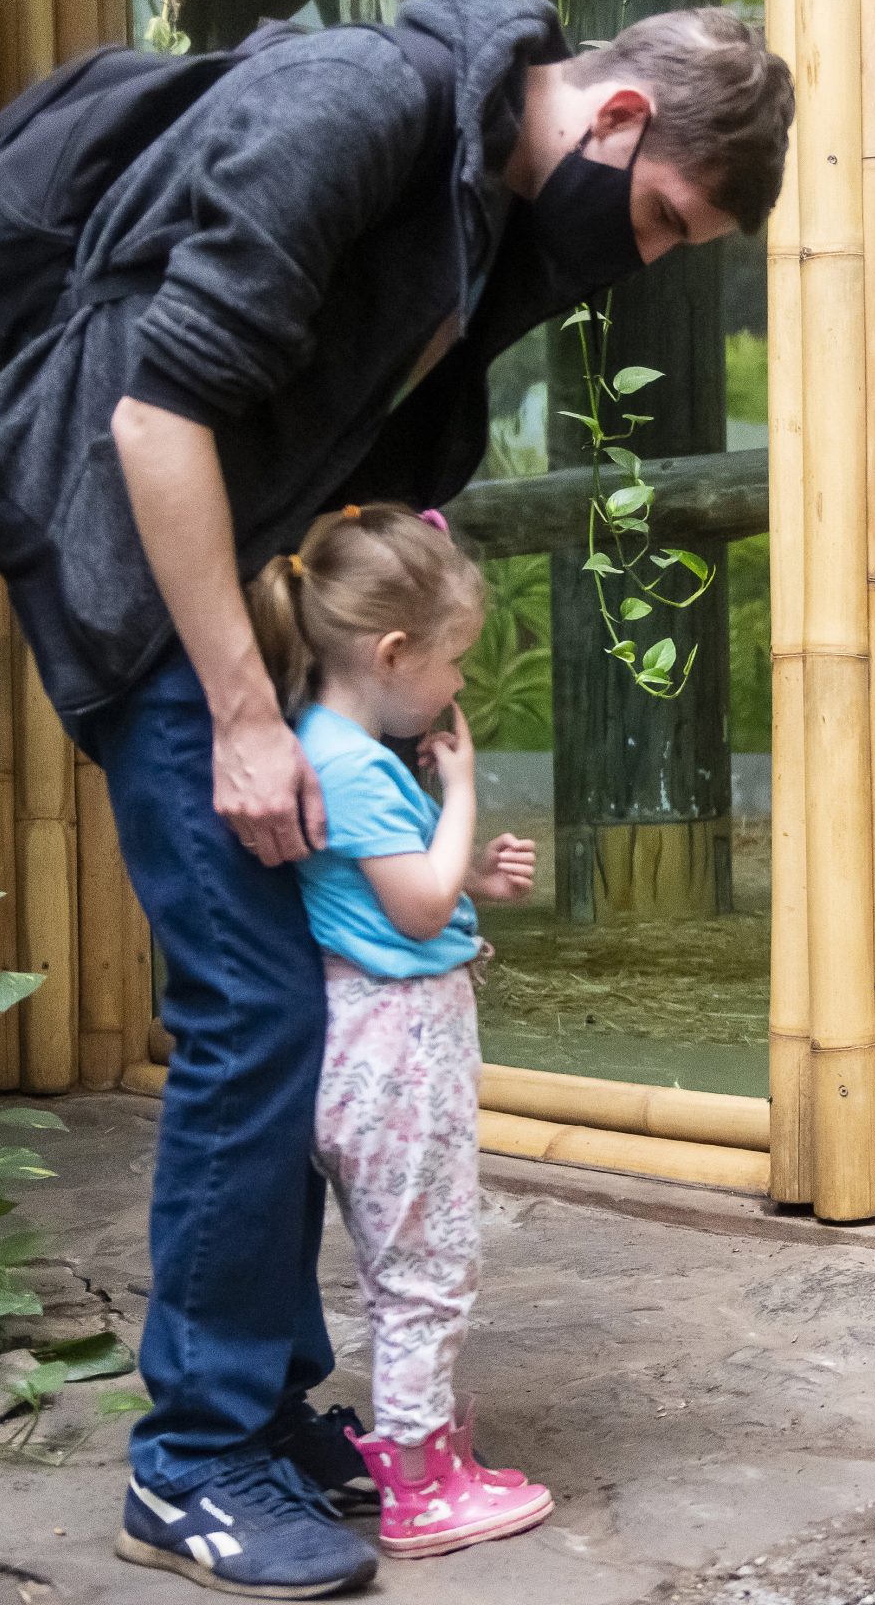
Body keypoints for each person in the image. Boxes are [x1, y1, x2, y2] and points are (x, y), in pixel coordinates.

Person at [0, 0, 792, 1598]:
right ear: (618, 122)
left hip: (236, 574)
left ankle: (265, 1407)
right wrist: (250, 718)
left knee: (299, 1010)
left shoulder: (497, 211)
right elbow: (155, 414)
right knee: (259, 1013)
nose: (658, 252)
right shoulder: (354, 110)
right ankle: (191, 1462)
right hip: (132, 555)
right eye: (672, 217)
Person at [225, 501, 547, 1564]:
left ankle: (436, 1456)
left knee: (419, 1255)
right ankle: (415, 1484)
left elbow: (407, 899)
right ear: (393, 651)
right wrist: (459, 795)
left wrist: (475, 880)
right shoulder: (354, 761)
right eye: (454, 661)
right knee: (425, 1268)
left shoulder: (337, 744)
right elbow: (413, 912)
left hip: (385, 1028)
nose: (459, 687)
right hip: (395, 1043)